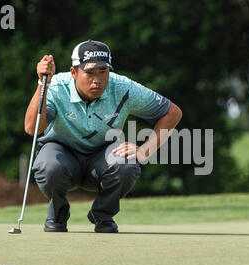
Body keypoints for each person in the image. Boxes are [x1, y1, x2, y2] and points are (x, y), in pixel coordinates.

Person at [25, 40, 182, 233]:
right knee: (48, 166)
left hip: (102, 158)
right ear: (74, 72)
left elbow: (172, 113)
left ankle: (103, 215)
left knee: (128, 163)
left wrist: (144, 151)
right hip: (61, 153)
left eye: (103, 72)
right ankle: (58, 212)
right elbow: (32, 128)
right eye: (89, 73)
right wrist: (43, 84)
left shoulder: (122, 87)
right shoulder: (55, 86)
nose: (97, 80)